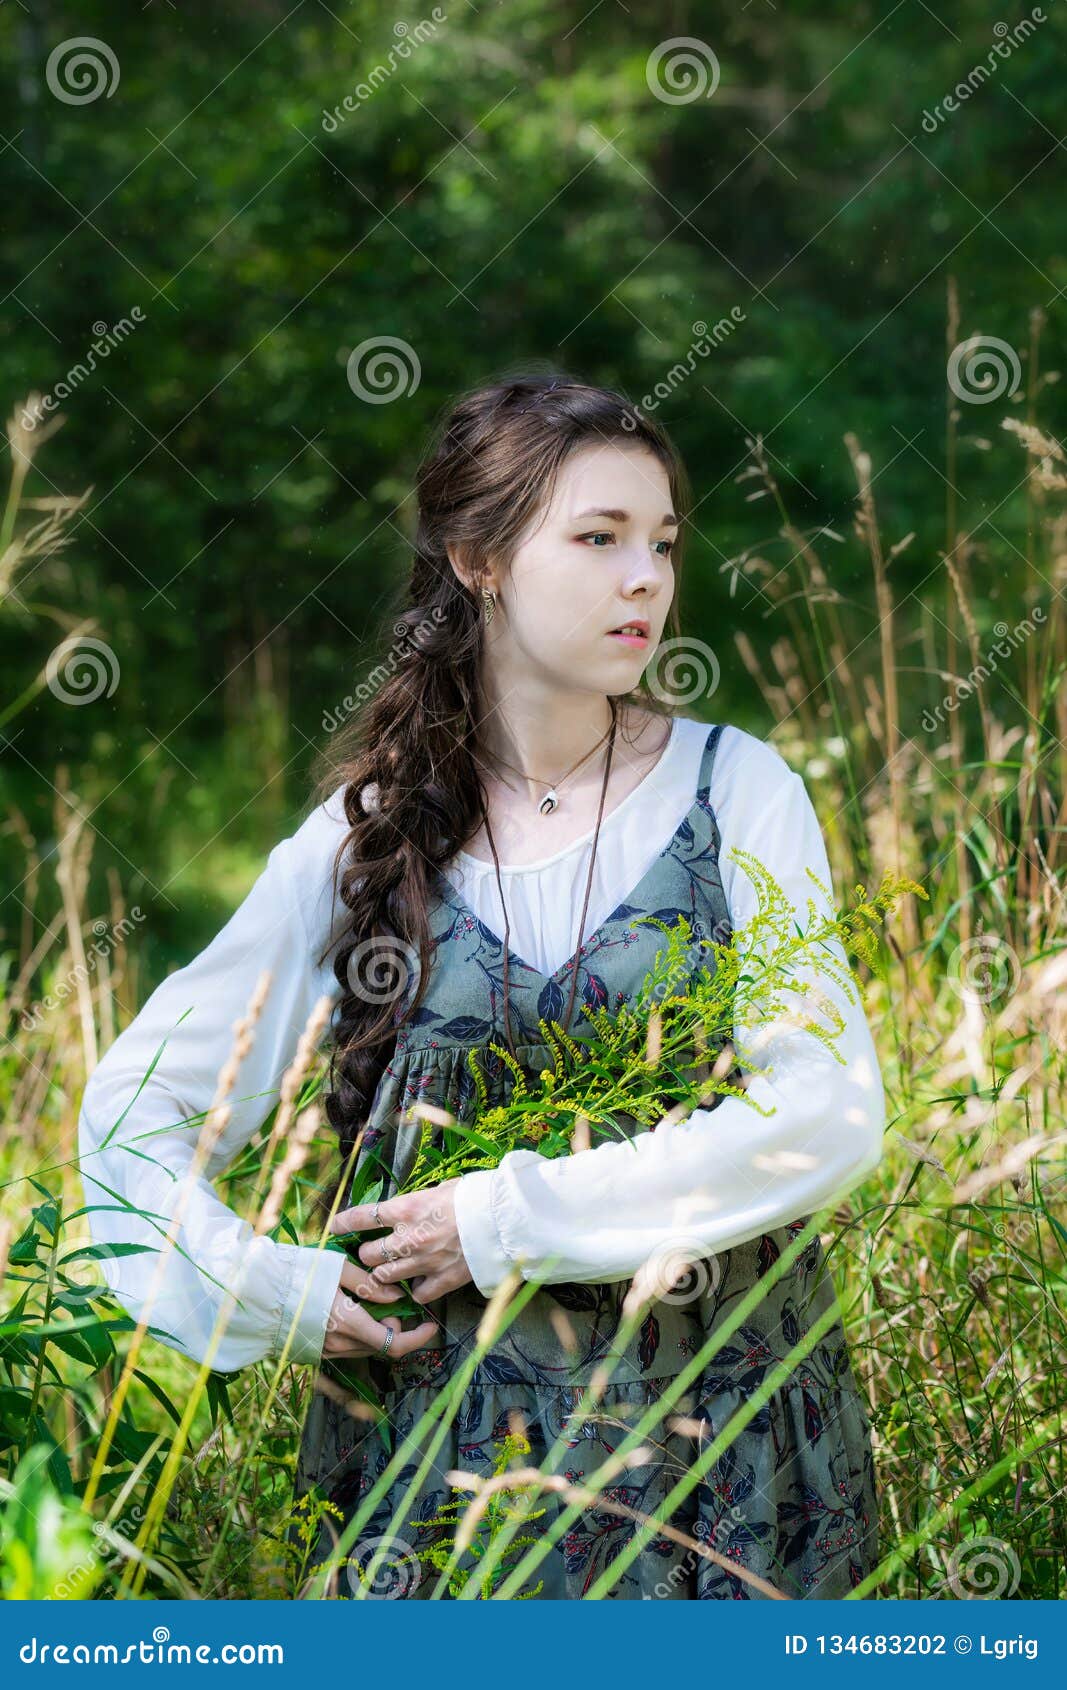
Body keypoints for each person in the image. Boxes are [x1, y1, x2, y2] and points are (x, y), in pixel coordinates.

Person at [77, 372, 884, 1600]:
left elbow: (825, 1105)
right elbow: (130, 1119)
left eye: (661, 542)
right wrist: (278, 1289)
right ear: (478, 558)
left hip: (720, 1457)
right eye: (599, 538)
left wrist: (501, 1221)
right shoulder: (366, 841)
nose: (646, 580)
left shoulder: (737, 792)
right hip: (447, 1477)